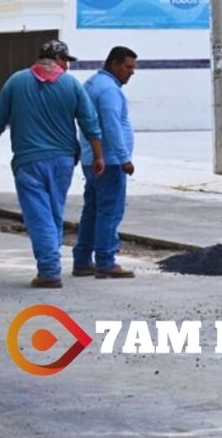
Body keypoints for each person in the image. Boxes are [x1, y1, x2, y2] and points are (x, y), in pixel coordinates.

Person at [0, 39, 104, 288]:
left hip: (28, 162)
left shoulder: (16, 81)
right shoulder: (71, 85)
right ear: (58, 60)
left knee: (38, 215)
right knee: (53, 212)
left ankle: (49, 270)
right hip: (62, 162)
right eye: (66, 62)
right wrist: (99, 156)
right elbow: (90, 123)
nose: (67, 67)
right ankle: (50, 264)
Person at [73, 46, 138, 279]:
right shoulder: (109, 90)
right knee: (110, 212)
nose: (132, 72)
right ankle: (105, 260)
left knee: (92, 210)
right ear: (114, 64)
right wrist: (124, 158)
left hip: (91, 159)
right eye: (128, 67)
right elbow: (111, 126)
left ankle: (82, 260)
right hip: (109, 162)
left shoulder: (91, 83)